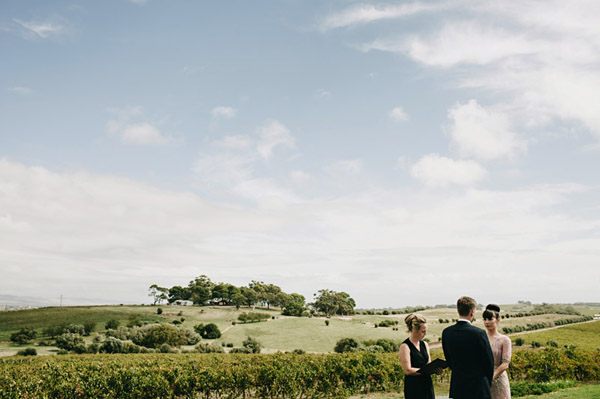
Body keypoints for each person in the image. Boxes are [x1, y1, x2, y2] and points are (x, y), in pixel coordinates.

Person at [442, 296, 494, 399]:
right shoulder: (479, 333)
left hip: (458, 385)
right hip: (478, 386)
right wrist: (487, 382)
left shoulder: (447, 332)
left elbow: (449, 359)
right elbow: (489, 361)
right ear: (472, 312)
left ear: (458, 310)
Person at [398, 313, 435, 399]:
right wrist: (425, 370)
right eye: (423, 331)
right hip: (414, 386)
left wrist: (435, 369)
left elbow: (428, 364)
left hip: (427, 384)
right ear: (415, 330)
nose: (425, 334)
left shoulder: (425, 344)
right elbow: (407, 370)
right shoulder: (405, 346)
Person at [483, 304, 512, 399]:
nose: (487, 322)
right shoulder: (481, 337)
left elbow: (505, 363)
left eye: (490, 319)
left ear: (498, 319)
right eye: (485, 319)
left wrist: (491, 377)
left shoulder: (504, 340)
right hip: (483, 379)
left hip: (499, 380)